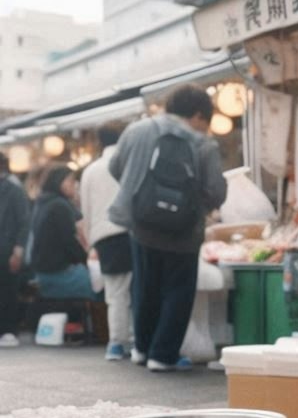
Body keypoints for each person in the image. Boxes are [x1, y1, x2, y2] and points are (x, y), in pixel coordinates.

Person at [108, 84, 227, 372]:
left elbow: (114, 166)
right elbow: (216, 192)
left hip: (142, 224)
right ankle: (162, 355)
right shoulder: (203, 144)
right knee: (178, 290)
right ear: (198, 115)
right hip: (183, 231)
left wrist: (141, 192)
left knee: (145, 285)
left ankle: (142, 348)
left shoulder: (137, 130)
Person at [80, 125, 134, 361]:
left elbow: (86, 209)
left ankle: (116, 343)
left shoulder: (90, 170)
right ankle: (131, 340)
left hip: (103, 236)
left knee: (115, 292)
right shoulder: (129, 163)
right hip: (130, 231)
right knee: (136, 291)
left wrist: (92, 240)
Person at [30, 164, 95, 301]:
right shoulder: (59, 205)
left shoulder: (43, 202)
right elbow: (71, 241)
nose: (74, 184)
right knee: (100, 289)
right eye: (70, 180)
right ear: (59, 182)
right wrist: (87, 260)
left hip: (42, 274)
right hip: (59, 273)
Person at [0, 152, 31, 347]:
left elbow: (23, 222)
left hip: (7, 248)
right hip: (6, 247)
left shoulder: (14, 190)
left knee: (8, 290)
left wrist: (18, 251)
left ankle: (9, 330)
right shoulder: (12, 189)